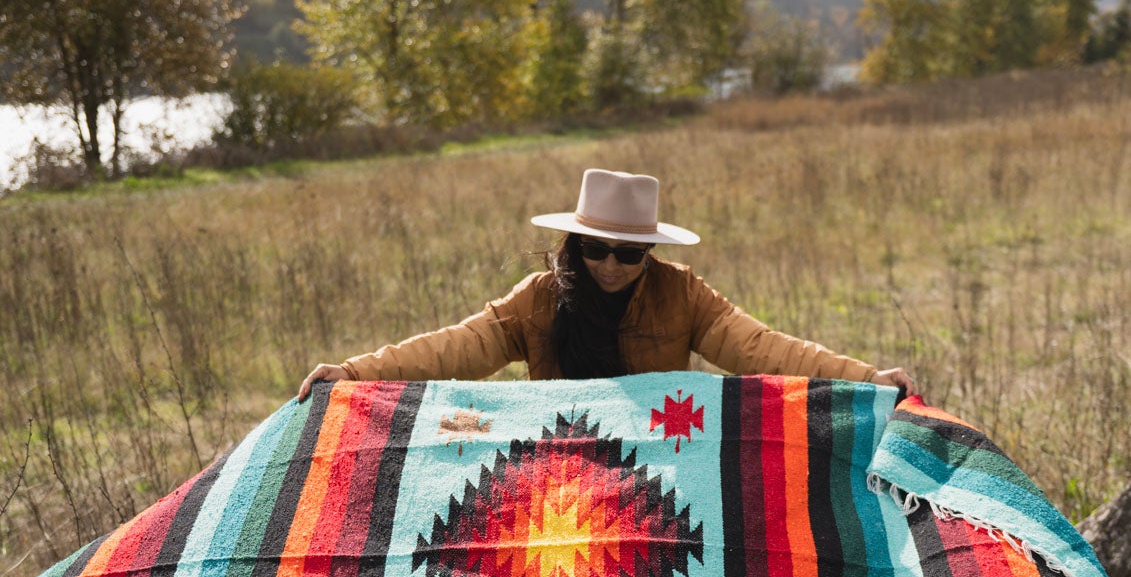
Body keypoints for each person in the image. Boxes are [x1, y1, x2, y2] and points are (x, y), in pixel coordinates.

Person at [298, 167, 913, 398]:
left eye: (630, 253)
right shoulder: (537, 299)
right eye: (596, 249)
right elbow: (455, 346)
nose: (612, 265)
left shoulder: (685, 294)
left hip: (664, 462)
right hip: (560, 465)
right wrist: (353, 373)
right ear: (574, 244)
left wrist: (869, 381)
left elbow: (765, 348)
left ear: (650, 251)